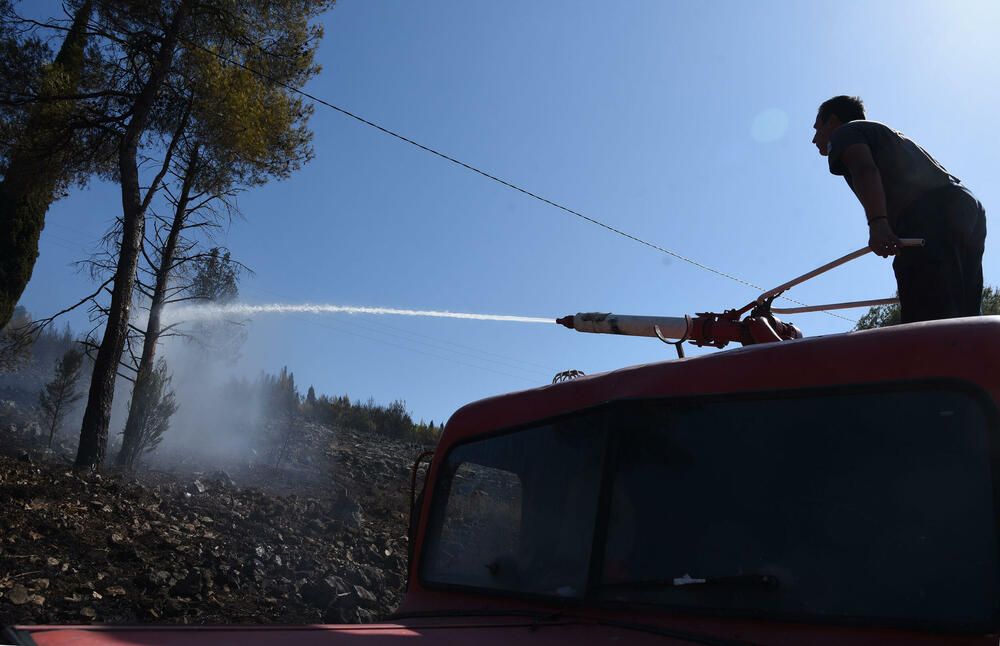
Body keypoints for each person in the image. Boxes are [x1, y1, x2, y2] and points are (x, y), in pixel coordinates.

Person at [811, 95, 987, 323]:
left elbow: (864, 169)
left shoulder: (845, 132)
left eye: (817, 128)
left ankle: (931, 354)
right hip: (966, 207)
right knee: (965, 310)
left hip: (930, 212)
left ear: (833, 121)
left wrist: (878, 223)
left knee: (926, 312)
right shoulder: (884, 134)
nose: (814, 138)